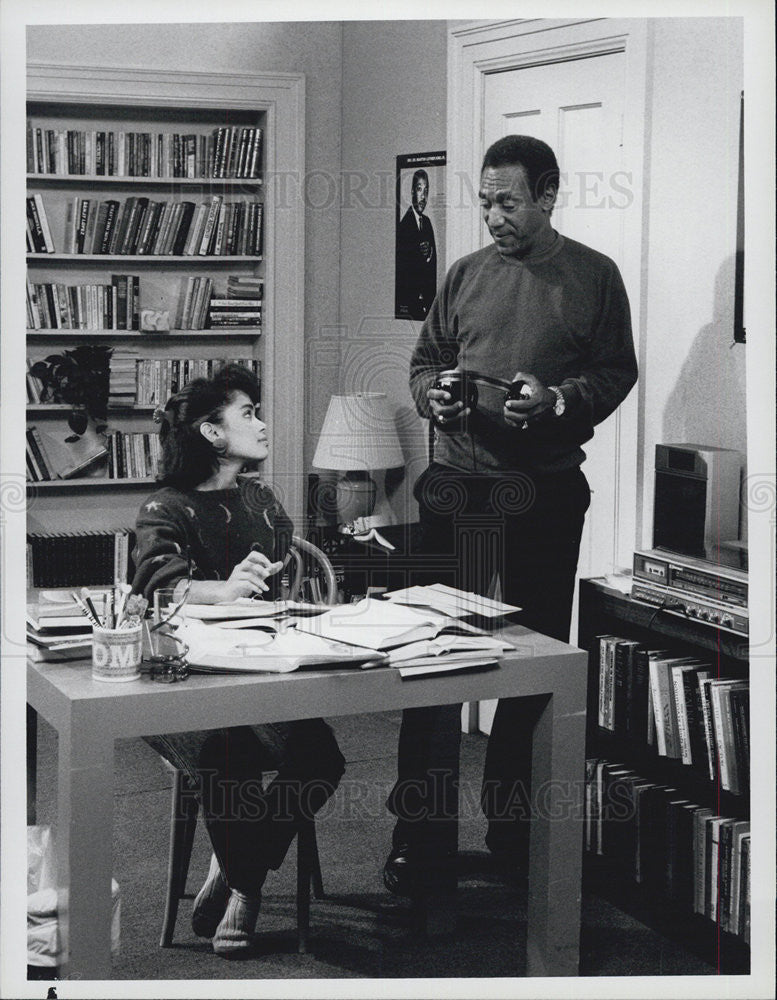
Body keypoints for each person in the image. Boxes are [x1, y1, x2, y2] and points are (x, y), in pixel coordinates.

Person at [383, 134, 638, 895]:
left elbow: (614, 371)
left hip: (545, 495)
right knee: (427, 667)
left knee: (529, 673)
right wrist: (435, 395)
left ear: (548, 195)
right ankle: (418, 844)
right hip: (457, 490)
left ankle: (512, 837)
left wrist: (556, 400)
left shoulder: (593, 277)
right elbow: (425, 360)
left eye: (508, 201)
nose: (493, 215)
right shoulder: (463, 274)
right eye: (485, 201)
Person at [132, 363, 345, 958]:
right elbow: (156, 585)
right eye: (248, 413)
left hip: (262, 674)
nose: (263, 422)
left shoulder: (261, 500)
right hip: (182, 689)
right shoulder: (165, 507)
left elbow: (277, 588)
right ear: (212, 432)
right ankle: (248, 888)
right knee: (225, 756)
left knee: (321, 759)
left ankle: (235, 866)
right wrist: (219, 589)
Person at [395, 168, 437, 320]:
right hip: (410, 307)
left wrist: (428, 256)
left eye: (426, 191)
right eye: (419, 189)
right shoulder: (403, 227)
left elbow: (433, 265)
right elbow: (402, 270)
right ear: (412, 192)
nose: (423, 196)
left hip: (427, 307)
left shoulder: (427, 223)